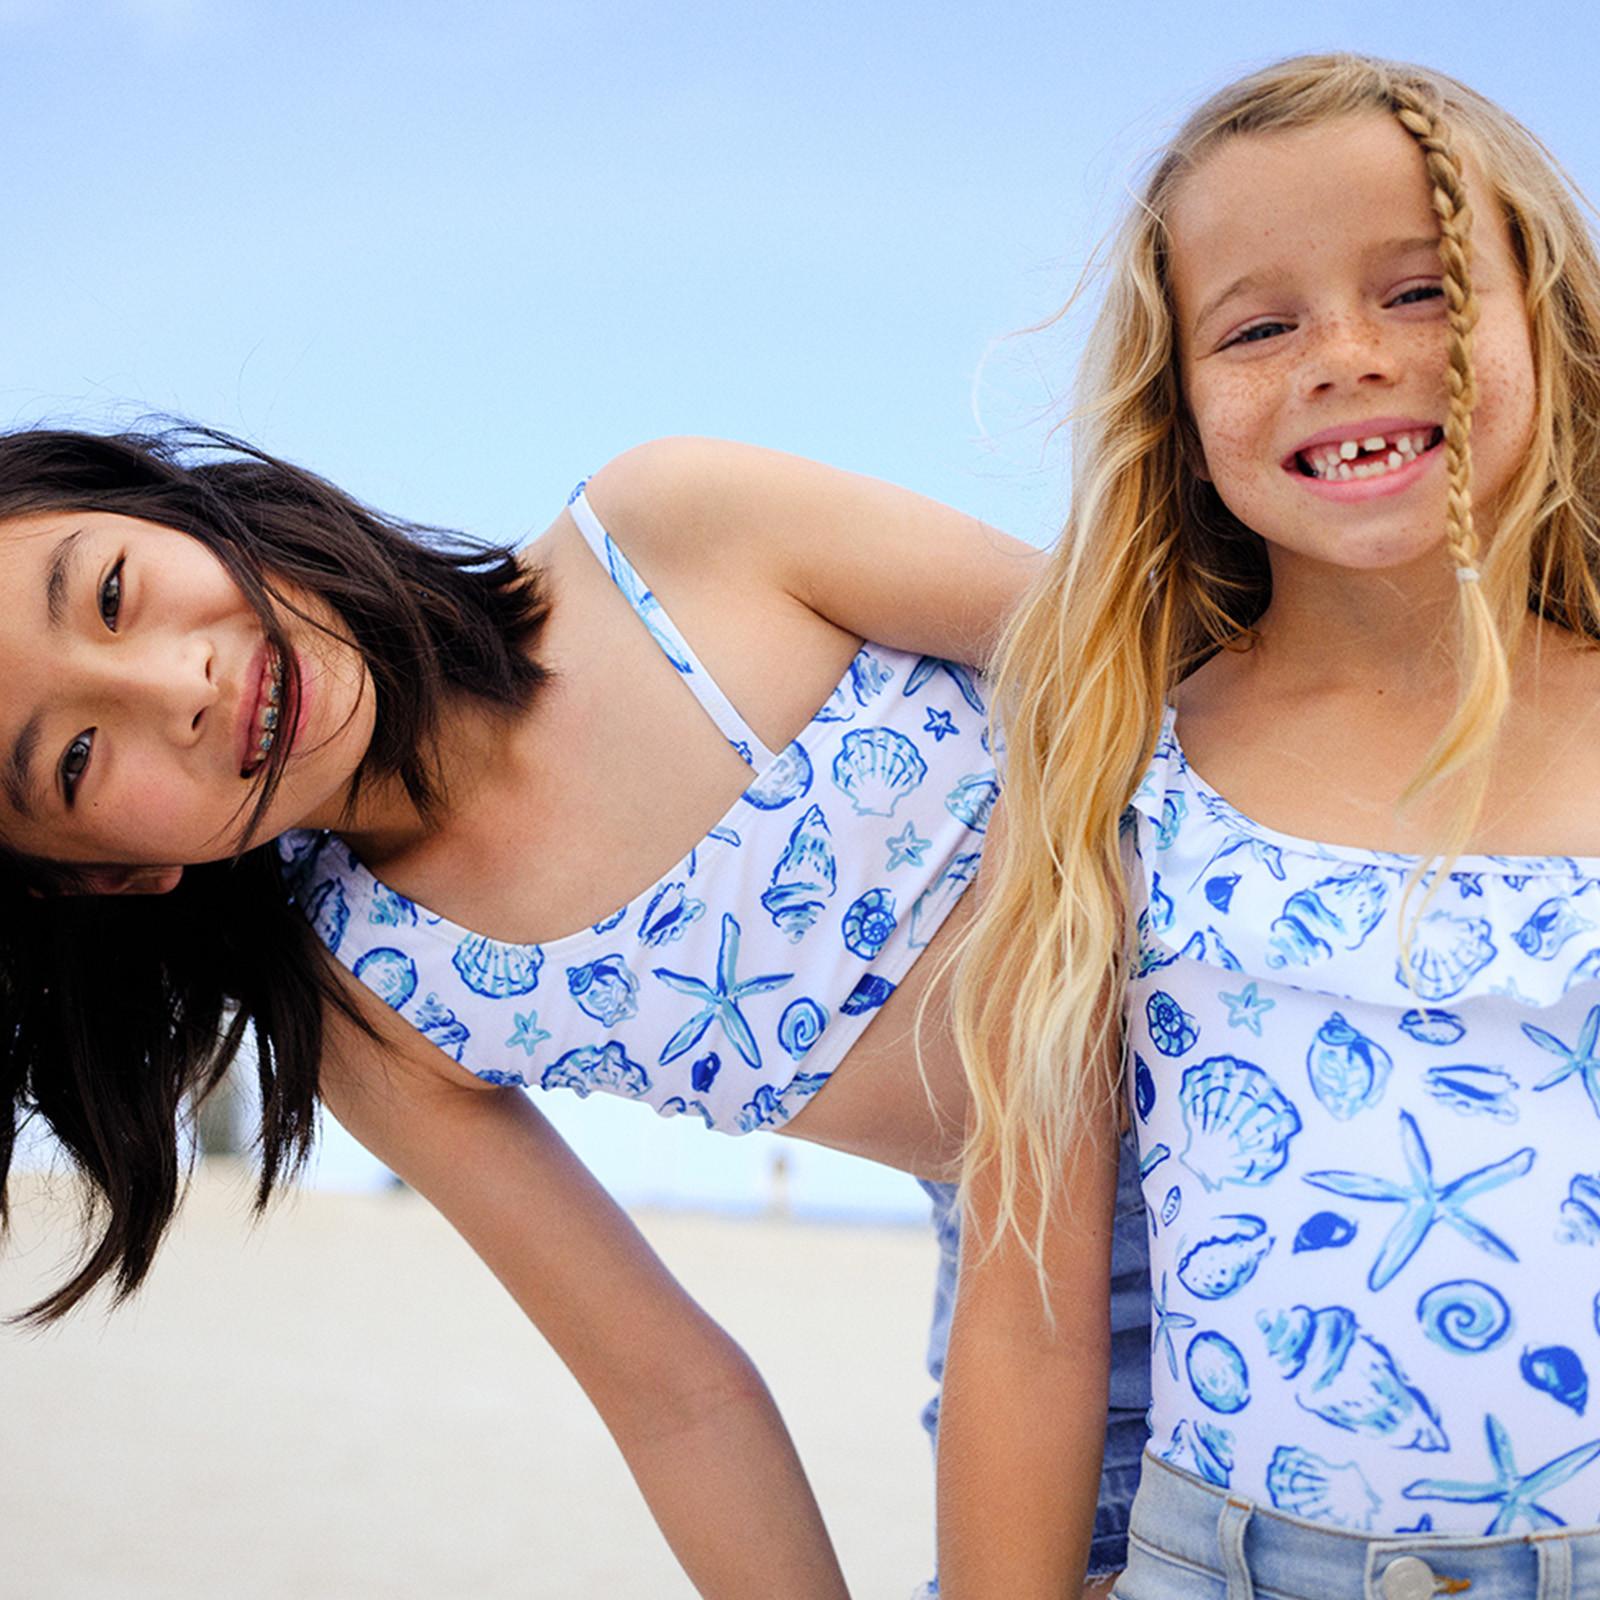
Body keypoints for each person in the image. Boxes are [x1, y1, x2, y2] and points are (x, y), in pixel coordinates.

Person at [0, 428, 1149, 1597]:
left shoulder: (669, 533)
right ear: (108, 873)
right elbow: (674, 1394)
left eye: (109, 592)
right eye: (79, 756)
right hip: (1076, 1308)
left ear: (176, 509)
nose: (174, 687)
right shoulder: (373, 992)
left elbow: (1156, 658)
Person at [937, 51, 1600, 1600]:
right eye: (1259, 325)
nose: (1349, 355)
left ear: (1550, 326)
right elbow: (1030, 1302)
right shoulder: (1121, 762)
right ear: (1178, 406)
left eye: (1422, 292)